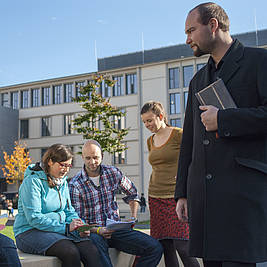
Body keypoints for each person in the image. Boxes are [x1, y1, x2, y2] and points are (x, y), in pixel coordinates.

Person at [175, 2, 267, 267]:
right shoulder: (197, 80)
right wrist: (182, 192)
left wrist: (224, 119)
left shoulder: (259, 61)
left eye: (191, 31)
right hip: (205, 200)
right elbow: (189, 141)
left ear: (213, 25)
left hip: (244, 196)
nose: (187, 39)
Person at [69, 139, 163, 267]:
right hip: (94, 233)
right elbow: (79, 221)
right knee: (97, 249)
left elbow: (132, 193)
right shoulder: (75, 184)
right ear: (82, 158)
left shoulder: (112, 173)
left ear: (102, 155)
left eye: (96, 157)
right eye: (88, 158)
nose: (92, 162)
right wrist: (98, 230)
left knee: (154, 248)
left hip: (116, 230)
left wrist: (133, 217)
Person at [13, 144, 102, 267]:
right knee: (69, 252)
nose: (65, 169)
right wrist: (66, 228)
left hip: (55, 230)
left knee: (90, 250)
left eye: (68, 165)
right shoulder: (32, 182)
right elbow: (34, 218)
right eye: (62, 165)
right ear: (50, 162)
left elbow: (69, 211)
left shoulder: (62, 182)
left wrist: (80, 226)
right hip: (28, 232)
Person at [141, 101, 199, 267]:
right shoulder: (150, 140)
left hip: (176, 197)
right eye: (144, 121)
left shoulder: (178, 134)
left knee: (183, 245)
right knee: (166, 246)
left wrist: (186, 177)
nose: (147, 124)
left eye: (150, 120)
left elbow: (194, 156)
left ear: (161, 116)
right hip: (155, 197)